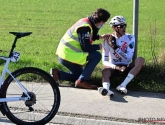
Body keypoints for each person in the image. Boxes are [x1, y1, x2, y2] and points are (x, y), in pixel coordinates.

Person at [50, 8, 111, 89]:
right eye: (104, 22)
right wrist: (99, 46)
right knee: (97, 55)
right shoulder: (85, 27)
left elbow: (87, 36)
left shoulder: (86, 21)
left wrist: (100, 37)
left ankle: (57, 74)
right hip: (69, 55)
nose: (103, 24)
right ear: (101, 22)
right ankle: (82, 81)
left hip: (64, 53)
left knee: (80, 75)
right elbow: (86, 47)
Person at [98, 15, 145, 96]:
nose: (124, 28)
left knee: (141, 60)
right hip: (114, 66)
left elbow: (128, 57)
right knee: (105, 71)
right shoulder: (107, 39)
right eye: (121, 26)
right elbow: (104, 61)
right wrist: (116, 67)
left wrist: (116, 48)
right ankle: (106, 89)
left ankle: (123, 85)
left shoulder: (130, 37)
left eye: (125, 25)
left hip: (126, 65)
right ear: (114, 27)